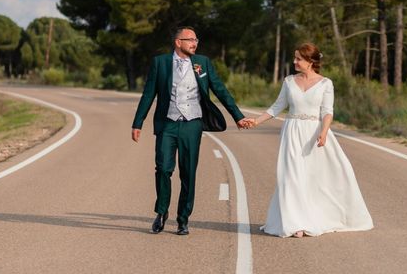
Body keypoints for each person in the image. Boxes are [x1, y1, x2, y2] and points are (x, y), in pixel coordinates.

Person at [243, 42, 374, 238]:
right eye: (295, 58)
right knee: (291, 176)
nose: (294, 61)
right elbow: (276, 107)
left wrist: (324, 131)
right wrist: (256, 121)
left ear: (311, 61)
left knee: (313, 177)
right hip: (292, 132)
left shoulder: (325, 83)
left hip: (314, 133)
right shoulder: (289, 81)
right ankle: (295, 223)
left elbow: (328, 111)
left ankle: (314, 217)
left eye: (299, 59)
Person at [131, 27, 249, 235]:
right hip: (167, 123)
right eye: (190, 40)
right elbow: (149, 93)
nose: (195, 43)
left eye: (196, 40)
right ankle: (161, 212)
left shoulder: (202, 63)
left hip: (192, 124)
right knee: (163, 168)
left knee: (188, 172)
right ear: (178, 42)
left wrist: (237, 116)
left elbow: (220, 89)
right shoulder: (161, 63)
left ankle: (183, 219)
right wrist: (138, 122)